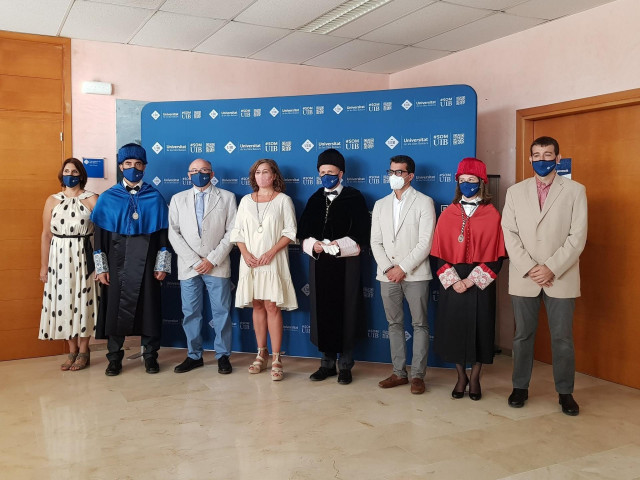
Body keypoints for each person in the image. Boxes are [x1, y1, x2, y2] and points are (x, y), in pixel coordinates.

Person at [502, 136, 588, 416]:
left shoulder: (575, 190)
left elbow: (578, 236)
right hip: (524, 276)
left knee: (562, 338)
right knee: (522, 336)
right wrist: (530, 267)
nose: (542, 160)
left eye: (548, 155)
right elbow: (510, 233)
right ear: (530, 159)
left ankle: (565, 393)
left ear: (558, 158)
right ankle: (520, 387)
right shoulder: (515, 192)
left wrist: (551, 267)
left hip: (560, 275)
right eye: (537, 155)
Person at [91, 143, 171, 376]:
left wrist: (162, 264)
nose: (133, 168)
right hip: (116, 264)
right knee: (115, 309)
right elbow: (99, 236)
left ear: (145, 167)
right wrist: (101, 268)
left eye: (138, 164)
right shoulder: (107, 198)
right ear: (120, 167)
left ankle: (150, 356)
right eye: (128, 164)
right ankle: (114, 358)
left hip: (146, 264)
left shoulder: (154, 197)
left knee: (149, 309)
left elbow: (163, 234)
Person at [431, 157, 507, 401]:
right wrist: (455, 281)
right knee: (454, 329)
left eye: (471, 180)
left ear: (481, 183)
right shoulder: (448, 214)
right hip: (453, 281)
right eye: (462, 180)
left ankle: (475, 378)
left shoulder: (492, 214)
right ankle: (460, 376)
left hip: (480, 282)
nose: (466, 184)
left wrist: (471, 281)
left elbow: (497, 256)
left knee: (480, 330)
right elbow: (439, 254)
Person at [298, 148, 371, 385]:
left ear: (341, 173)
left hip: (346, 264)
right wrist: (314, 245)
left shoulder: (354, 197)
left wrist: (339, 245)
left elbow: (361, 234)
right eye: (322, 172)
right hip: (319, 265)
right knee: (322, 311)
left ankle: (346, 365)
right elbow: (303, 234)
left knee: (346, 311)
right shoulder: (314, 199)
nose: (326, 176)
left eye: (331, 172)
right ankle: (326, 364)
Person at [371, 155, 435, 395]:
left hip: (416, 274)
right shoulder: (380, 205)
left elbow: (425, 242)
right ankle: (399, 372)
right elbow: (375, 242)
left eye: (399, 172)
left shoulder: (424, 202)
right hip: (387, 275)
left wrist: (403, 268)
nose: (394, 176)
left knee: (420, 324)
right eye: (391, 172)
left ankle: (418, 375)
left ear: (410, 176)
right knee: (394, 323)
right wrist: (389, 269)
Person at [230, 159, 297, 381]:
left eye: (265, 172)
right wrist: (246, 254)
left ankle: (277, 357)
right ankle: (261, 353)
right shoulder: (246, 201)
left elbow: (290, 231)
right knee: (256, 303)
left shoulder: (283, 201)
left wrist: (271, 252)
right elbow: (237, 232)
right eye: (257, 172)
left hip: (273, 260)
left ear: (274, 176)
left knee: (271, 305)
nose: (260, 176)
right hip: (250, 261)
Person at [168, 159, 237, 375]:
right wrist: (195, 261)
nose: (200, 174)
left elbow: (232, 232)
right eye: (195, 171)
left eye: (204, 170)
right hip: (190, 266)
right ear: (188, 175)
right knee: (190, 312)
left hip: (217, 264)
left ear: (212, 173)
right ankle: (194, 355)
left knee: (222, 312)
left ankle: (223, 356)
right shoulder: (178, 199)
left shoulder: (227, 197)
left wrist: (212, 259)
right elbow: (174, 233)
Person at [39, 158, 98, 371]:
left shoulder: (92, 199)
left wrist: (99, 265)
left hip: (83, 256)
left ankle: (84, 350)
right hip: (58, 258)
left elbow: (101, 234)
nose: (70, 174)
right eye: (66, 171)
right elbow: (46, 234)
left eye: (74, 171)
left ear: (81, 175)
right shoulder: (52, 200)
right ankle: (71, 350)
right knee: (63, 301)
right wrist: (44, 266)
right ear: (61, 174)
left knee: (83, 302)